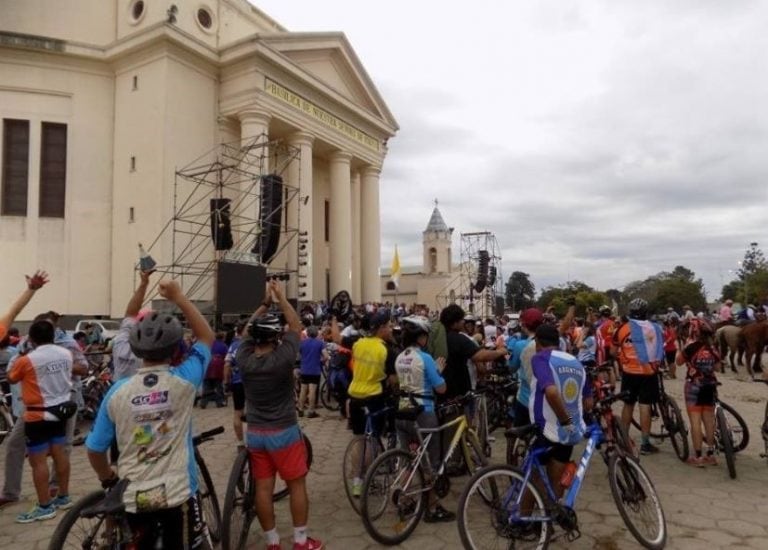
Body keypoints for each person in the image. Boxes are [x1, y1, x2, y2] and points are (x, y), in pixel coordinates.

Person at [85, 279, 215, 549]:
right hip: (177, 492)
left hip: (134, 495)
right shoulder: (184, 381)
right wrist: (179, 297)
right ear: (175, 348)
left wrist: (108, 478)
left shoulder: (116, 392)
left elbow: (95, 448)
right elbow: (206, 338)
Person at [236, 280, 322, 550]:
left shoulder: (244, 358)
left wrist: (264, 304)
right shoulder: (283, 357)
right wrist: (281, 299)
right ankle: (300, 541)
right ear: (275, 338)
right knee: (296, 485)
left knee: (263, 489)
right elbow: (296, 326)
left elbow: (246, 332)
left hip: (257, 434)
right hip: (284, 431)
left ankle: (273, 543)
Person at [394, 316, 452, 522]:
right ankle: (433, 508)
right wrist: (438, 371)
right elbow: (441, 388)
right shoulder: (425, 358)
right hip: (423, 413)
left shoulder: (400, 357)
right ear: (420, 337)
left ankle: (405, 500)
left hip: (402, 413)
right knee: (431, 462)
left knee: (409, 459)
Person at [529, 324, 592, 496]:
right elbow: (588, 402)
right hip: (568, 434)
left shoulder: (540, 358)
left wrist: (565, 420)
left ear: (538, 343)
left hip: (545, 426)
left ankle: (525, 519)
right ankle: (551, 514)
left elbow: (550, 391)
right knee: (555, 481)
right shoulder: (576, 362)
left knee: (535, 479)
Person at [345, 309, 398, 497]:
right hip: (375, 397)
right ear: (381, 328)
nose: (391, 329)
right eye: (389, 326)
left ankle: (357, 482)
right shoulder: (386, 350)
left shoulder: (358, 344)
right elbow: (393, 381)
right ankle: (369, 478)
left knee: (360, 439)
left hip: (355, 396)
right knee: (373, 438)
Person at [613, 298, 665, 455]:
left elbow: (612, 352)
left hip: (629, 372)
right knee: (645, 406)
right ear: (646, 312)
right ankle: (645, 443)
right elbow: (659, 350)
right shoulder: (655, 328)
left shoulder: (622, 329)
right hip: (648, 372)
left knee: (628, 405)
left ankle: (623, 439)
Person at [676, 319, 720, 467]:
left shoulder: (691, 347)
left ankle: (698, 457)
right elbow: (718, 368)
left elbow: (678, 362)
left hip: (693, 385)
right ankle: (711, 454)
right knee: (709, 420)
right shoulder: (712, 348)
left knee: (695, 421)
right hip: (709, 386)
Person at [111, 270, 153, 381]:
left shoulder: (121, 344)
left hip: (119, 394)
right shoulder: (156, 353)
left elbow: (130, 313)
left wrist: (144, 283)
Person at [298, 325, 329, 418]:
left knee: (303, 390)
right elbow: (326, 356)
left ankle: (300, 409)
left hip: (304, 369)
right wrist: (321, 361)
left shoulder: (302, 343)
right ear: (316, 333)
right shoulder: (320, 343)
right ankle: (311, 411)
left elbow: (299, 354)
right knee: (312, 390)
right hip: (314, 370)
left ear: (307, 333)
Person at [223, 321, 246, 445]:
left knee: (238, 412)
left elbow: (227, 365)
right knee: (255, 410)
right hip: (252, 382)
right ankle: (256, 439)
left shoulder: (233, 346)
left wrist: (226, 381)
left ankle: (240, 442)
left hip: (237, 381)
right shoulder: (252, 345)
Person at [199, 332, 227, 408]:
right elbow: (226, 357)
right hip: (218, 366)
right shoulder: (224, 346)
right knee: (218, 385)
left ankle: (203, 403)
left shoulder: (210, 344)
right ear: (223, 338)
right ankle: (220, 402)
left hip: (208, 364)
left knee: (207, 385)